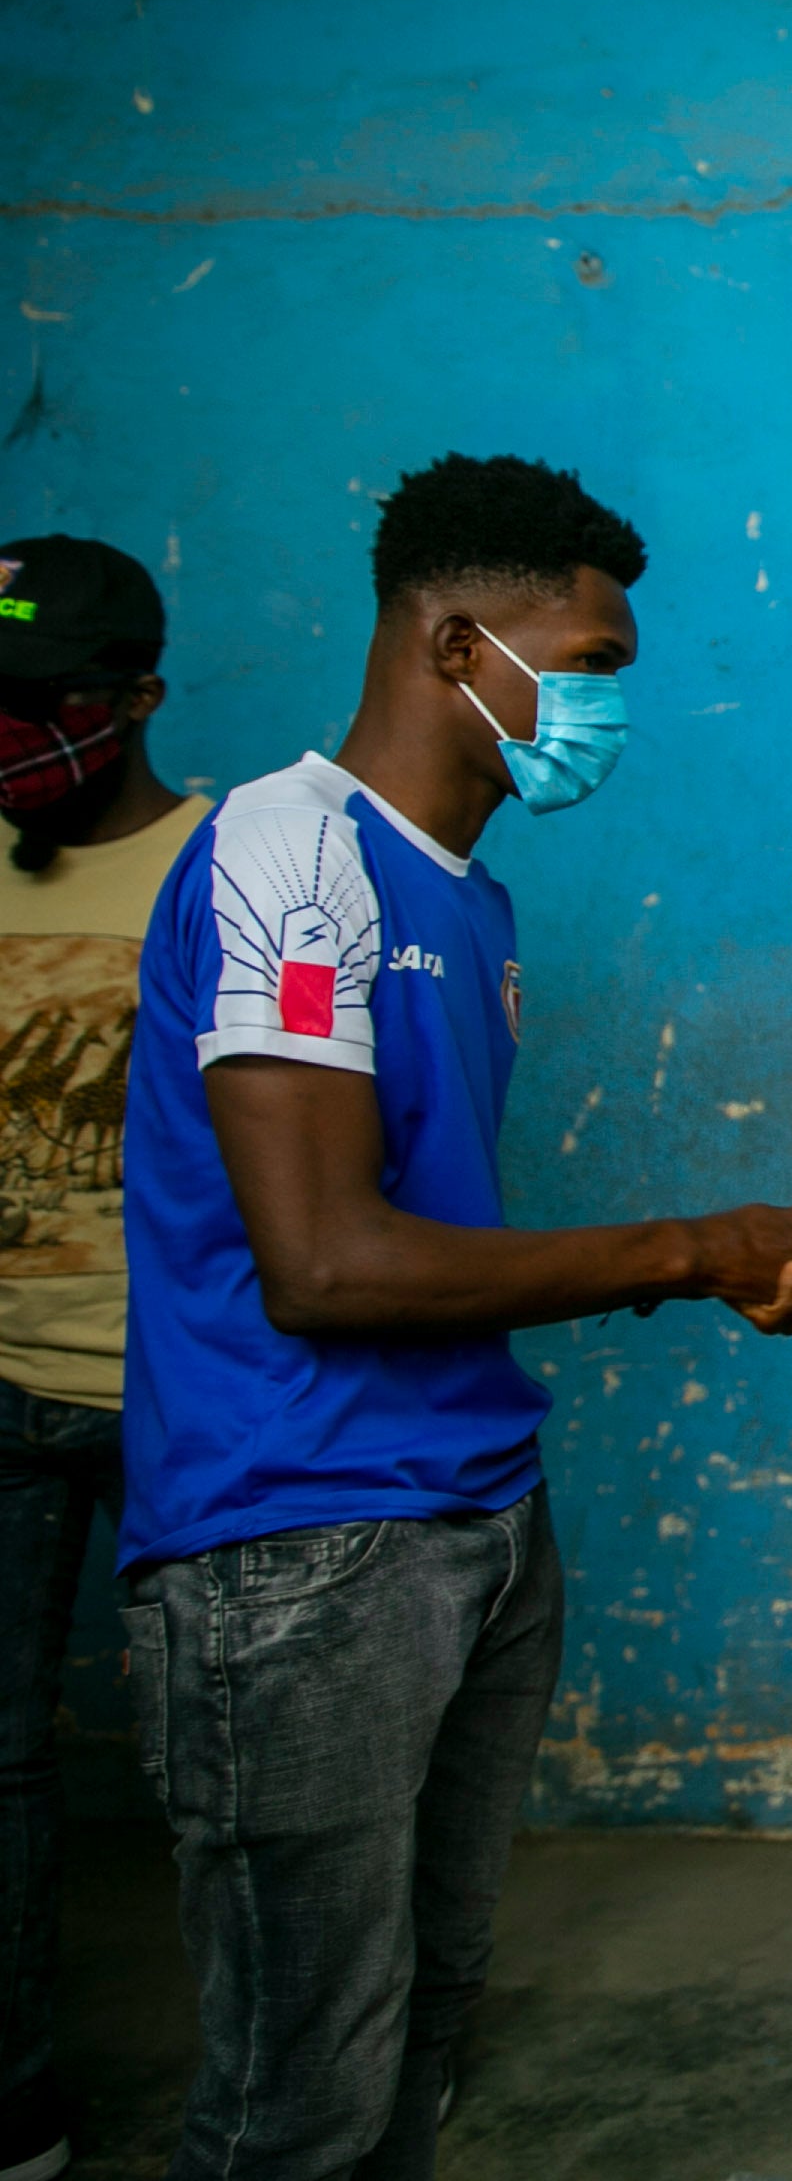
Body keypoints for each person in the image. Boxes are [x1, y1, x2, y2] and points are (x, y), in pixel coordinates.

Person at [119, 456, 792, 2181]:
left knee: (422, 2032)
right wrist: (689, 1244)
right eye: (582, 659)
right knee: (299, 2088)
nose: (603, 702)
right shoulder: (291, 854)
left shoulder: (463, 891)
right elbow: (328, 1267)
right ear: (454, 643)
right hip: (299, 1541)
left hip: (473, 1510)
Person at [0, 535, 204, 2180]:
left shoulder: (224, 869)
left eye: (44, 705)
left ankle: (292, 2087)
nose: (15, 740)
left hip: (181, 1391)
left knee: (229, 1771)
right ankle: (14, 2101)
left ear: (133, 699)